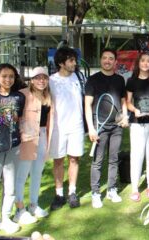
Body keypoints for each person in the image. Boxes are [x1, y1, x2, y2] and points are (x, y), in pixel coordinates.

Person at [85, 49, 129, 208]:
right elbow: (87, 105)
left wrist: (125, 117)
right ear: (101, 60)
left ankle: (112, 189)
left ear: (115, 62)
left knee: (114, 159)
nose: (107, 61)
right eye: (105, 58)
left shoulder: (119, 79)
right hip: (100, 127)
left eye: (111, 58)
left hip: (117, 126)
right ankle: (95, 193)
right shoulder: (93, 79)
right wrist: (91, 128)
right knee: (97, 161)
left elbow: (123, 101)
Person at [14, 67, 52, 225]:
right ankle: (19, 210)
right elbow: (11, 116)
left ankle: (33, 205)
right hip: (26, 138)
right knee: (21, 175)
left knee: (37, 173)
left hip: (42, 137)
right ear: (32, 79)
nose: (41, 80)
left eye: (44, 77)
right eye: (38, 77)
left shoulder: (49, 97)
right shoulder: (22, 94)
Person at [49, 47, 84, 210]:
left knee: (74, 159)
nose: (74, 63)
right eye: (71, 60)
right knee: (58, 160)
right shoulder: (51, 80)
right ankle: (59, 194)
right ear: (61, 63)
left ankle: (72, 192)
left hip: (76, 126)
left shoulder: (79, 77)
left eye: (74, 60)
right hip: (58, 128)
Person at [0, 63, 25, 234]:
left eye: (11, 76)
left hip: (13, 146)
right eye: (4, 76)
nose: (8, 79)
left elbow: (18, 118)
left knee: (10, 187)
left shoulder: (19, 97)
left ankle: (5, 218)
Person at [126, 53, 149, 202]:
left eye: (148, 61)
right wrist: (134, 110)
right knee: (137, 155)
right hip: (137, 123)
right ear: (138, 63)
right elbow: (127, 102)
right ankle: (135, 188)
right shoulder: (131, 81)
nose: (145, 64)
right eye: (143, 61)